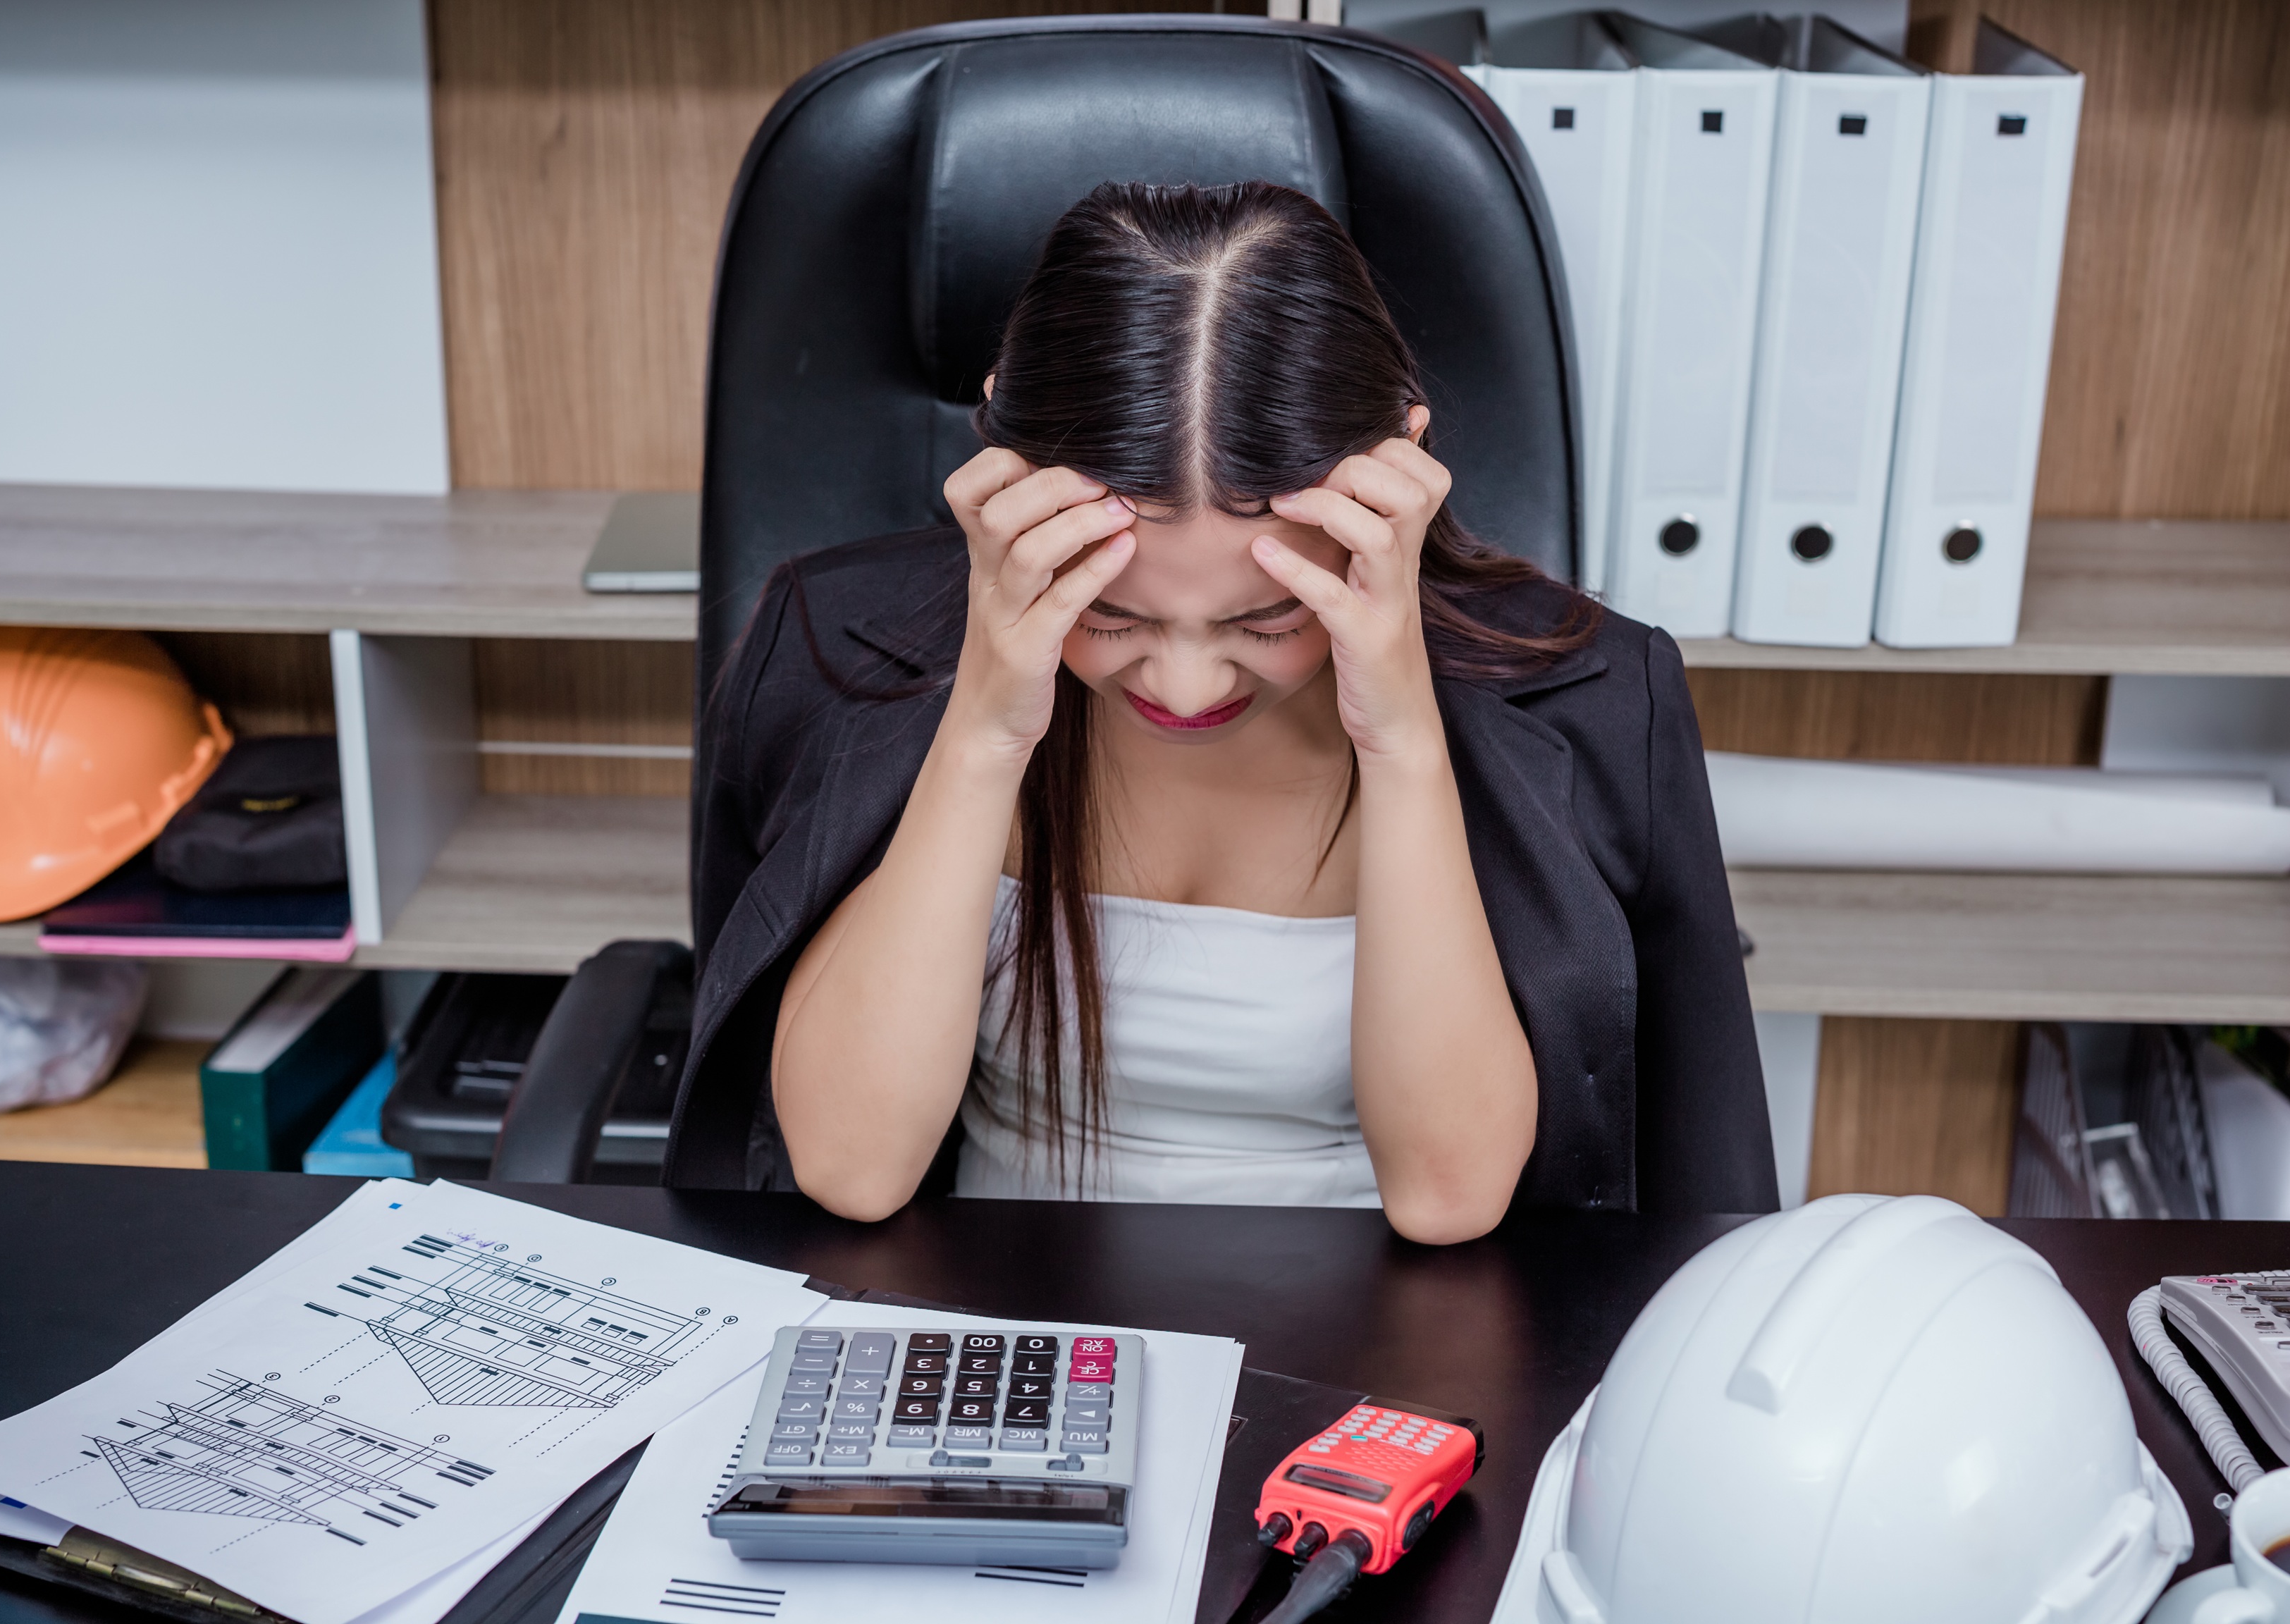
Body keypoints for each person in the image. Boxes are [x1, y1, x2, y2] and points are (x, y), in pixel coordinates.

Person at [668, 181, 1777, 1241]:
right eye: (1114, 616)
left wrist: (1399, 739)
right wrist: (986, 729)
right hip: (1001, 1336)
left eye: (1260, 619)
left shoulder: (1597, 697)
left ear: (1393, 481)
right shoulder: (830, 643)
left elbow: (1449, 1197)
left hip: (1391, 1363)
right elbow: (851, 1171)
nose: (1186, 688)